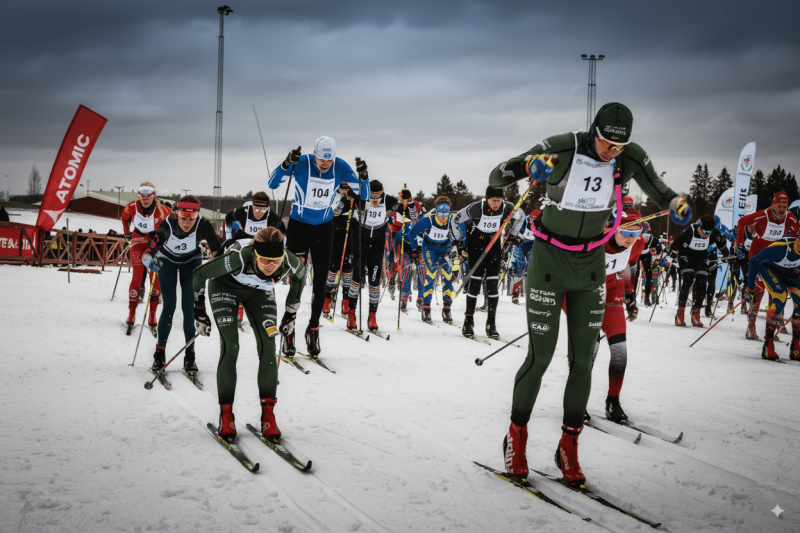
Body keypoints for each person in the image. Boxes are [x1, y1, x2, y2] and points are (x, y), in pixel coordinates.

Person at [488, 102, 689, 485]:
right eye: (606, 143)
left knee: (582, 361)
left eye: (619, 146)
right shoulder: (563, 147)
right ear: (593, 131)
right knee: (540, 356)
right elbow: (498, 174)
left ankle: (569, 446)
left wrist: (677, 203)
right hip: (549, 263)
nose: (611, 151)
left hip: (591, 266)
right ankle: (516, 437)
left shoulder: (628, 156)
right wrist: (529, 167)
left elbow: (661, 191)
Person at [192, 227, 305, 440]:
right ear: (255, 254)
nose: (271, 266)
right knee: (231, 345)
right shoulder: (238, 258)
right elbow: (199, 274)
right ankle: (226, 415)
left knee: (268, 346)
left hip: (259, 293)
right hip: (225, 287)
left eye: (276, 261)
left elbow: (301, 275)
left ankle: (268, 416)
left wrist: (291, 312)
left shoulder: (289, 261)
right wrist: (198, 310)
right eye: (264, 261)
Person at [268, 137, 369, 355]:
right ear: (314, 155)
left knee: (321, 281)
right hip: (299, 227)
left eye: (329, 160)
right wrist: (286, 163)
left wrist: (364, 176)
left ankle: (313, 328)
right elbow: (272, 184)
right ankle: (289, 328)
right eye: (321, 159)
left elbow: (365, 195)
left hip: (324, 228)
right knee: (297, 280)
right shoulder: (303, 162)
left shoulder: (340, 166)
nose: (325, 164)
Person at [141, 195, 222, 373]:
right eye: (183, 216)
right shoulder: (168, 224)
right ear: (177, 213)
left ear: (197, 215)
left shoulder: (203, 224)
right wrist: (150, 263)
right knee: (169, 306)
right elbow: (147, 253)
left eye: (192, 217)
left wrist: (220, 270)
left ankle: (190, 356)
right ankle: (159, 354)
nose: (187, 221)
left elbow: (218, 252)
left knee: (189, 308)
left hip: (191, 261)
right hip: (167, 260)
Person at [588, 207, 646, 423]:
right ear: (614, 229)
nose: (631, 238)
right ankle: (577, 400)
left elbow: (629, 266)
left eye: (636, 232)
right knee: (589, 351)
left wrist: (630, 296)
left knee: (620, 350)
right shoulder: (596, 240)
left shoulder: (638, 243)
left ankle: (613, 401)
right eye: (626, 232)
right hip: (585, 294)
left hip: (612, 292)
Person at [451, 187, 525, 340]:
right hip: (475, 246)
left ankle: (491, 323)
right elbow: (455, 220)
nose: (496, 204)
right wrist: (458, 243)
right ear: (487, 199)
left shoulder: (508, 207)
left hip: (494, 246)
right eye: (493, 200)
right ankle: (468, 321)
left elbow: (521, 216)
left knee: (492, 285)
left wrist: (511, 236)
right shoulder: (475, 208)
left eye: (499, 200)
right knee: (475, 284)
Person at [346, 180, 415, 333]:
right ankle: (351, 314)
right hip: (359, 242)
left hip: (377, 244)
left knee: (374, 280)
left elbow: (412, 215)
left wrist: (409, 201)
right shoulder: (360, 199)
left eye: (378, 197)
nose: (375, 201)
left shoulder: (389, 201)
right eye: (372, 197)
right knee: (356, 278)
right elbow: (345, 196)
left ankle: (372, 316)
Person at [735, 192, 799, 339]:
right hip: (758, 256)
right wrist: (739, 244)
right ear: (773, 204)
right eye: (779, 206)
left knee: (776, 292)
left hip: (775, 258)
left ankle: (771, 328)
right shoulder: (762, 216)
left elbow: (794, 238)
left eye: (785, 207)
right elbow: (742, 222)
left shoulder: (791, 219)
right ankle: (751, 326)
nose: (782, 209)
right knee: (758, 291)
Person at [222, 191, 286, 328]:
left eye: (262, 210)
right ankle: (238, 311)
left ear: (267, 208)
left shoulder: (273, 217)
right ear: (252, 206)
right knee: (240, 277)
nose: (259, 213)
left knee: (263, 277)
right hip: (243, 246)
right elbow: (227, 218)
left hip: (261, 251)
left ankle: (264, 310)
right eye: (256, 209)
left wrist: (280, 249)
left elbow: (283, 234)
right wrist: (228, 239)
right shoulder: (241, 212)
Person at [120, 183, 173, 336]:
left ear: (153, 195)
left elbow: (174, 224)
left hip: (155, 244)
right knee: (137, 277)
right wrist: (127, 233)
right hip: (138, 241)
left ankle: (152, 315)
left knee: (155, 278)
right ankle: (131, 314)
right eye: (142, 194)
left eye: (148, 195)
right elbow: (124, 218)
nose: (144, 198)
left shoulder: (164, 210)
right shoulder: (131, 207)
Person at [745, 237, 800, 361]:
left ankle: (796, 345)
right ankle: (768, 344)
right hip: (770, 270)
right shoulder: (783, 248)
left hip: (791, 274)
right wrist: (750, 288)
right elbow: (754, 261)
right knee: (780, 298)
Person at [669, 215, 729, 327]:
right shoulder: (690, 231)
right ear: (699, 228)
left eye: (709, 232)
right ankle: (680, 314)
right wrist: (673, 254)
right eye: (704, 231)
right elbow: (675, 244)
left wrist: (727, 255)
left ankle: (696, 314)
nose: (706, 235)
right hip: (686, 257)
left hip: (701, 258)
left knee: (702, 283)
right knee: (688, 279)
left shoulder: (714, 233)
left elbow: (722, 246)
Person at [407, 196, 456, 324]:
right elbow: (412, 233)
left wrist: (461, 247)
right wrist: (414, 249)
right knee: (431, 274)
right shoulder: (428, 220)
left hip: (446, 248)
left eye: (446, 213)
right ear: (436, 211)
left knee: (448, 275)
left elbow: (463, 233)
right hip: (430, 248)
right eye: (441, 213)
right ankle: (426, 307)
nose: (444, 217)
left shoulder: (453, 220)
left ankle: (447, 308)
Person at [323, 182, 358, 319]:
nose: (345, 191)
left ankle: (346, 304)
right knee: (333, 267)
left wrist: (354, 201)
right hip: (336, 235)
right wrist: (345, 200)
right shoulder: (334, 196)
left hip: (350, 235)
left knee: (348, 269)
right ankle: (326, 301)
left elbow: (360, 214)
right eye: (342, 188)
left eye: (347, 188)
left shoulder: (354, 197)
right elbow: (335, 212)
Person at [508, 209, 540, 304]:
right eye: (531, 217)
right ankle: (515, 294)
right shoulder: (523, 220)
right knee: (521, 266)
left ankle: (533, 295)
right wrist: (513, 237)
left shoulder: (541, 224)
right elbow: (513, 229)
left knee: (532, 267)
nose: (532, 220)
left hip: (531, 245)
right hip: (520, 245)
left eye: (535, 218)